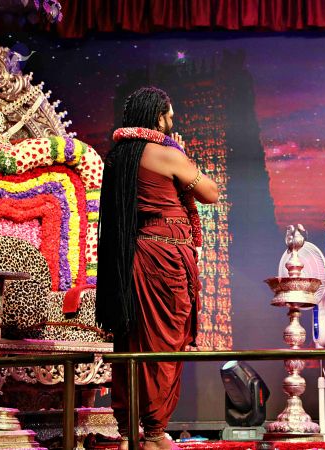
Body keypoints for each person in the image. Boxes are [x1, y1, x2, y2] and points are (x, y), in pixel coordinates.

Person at [96, 87, 218, 449]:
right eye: (169, 116)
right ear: (157, 117)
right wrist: (181, 155)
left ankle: (127, 432)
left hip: (134, 258)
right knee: (165, 342)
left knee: (132, 341)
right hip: (165, 257)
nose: (172, 123)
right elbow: (210, 193)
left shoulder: (118, 157)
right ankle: (153, 433)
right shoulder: (165, 153)